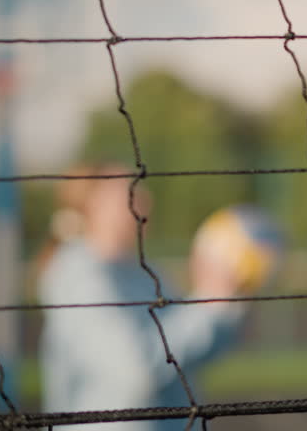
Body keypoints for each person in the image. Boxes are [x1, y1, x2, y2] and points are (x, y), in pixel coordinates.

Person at [38, 163, 281, 431]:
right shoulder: (77, 276)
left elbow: (193, 354)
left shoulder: (146, 273)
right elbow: (136, 371)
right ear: (95, 205)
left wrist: (225, 302)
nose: (146, 199)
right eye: (131, 191)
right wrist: (207, 304)